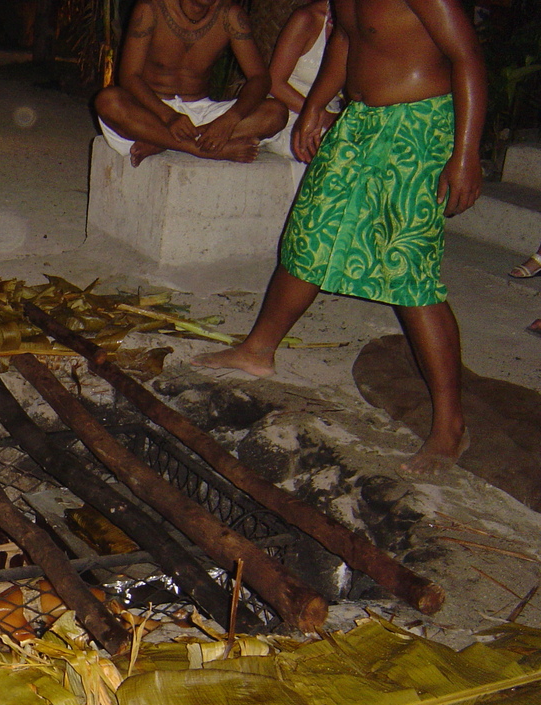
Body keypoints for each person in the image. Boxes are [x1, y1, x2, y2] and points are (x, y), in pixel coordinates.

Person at [193, 0, 486, 476]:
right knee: (310, 234)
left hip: (419, 125)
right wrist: (312, 107)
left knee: (406, 266)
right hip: (358, 121)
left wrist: (465, 154)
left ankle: (450, 427)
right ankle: (257, 350)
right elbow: (346, 40)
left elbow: (467, 58)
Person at [94, 0, 288, 166]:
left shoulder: (230, 16)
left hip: (201, 115)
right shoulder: (151, 8)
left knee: (276, 113)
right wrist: (169, 117)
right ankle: (200, 149)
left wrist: (230, 120)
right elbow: (129, 77)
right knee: (108, 101)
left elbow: (260, 78)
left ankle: (161, 141)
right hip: (151, 111)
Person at [264, 0, 343, 162]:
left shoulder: (364, 25)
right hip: (291, 112)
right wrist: (321, 115)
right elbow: (274, 83)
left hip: (331, 115)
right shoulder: (307, 18)